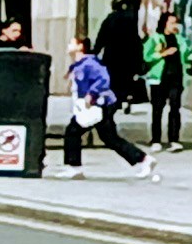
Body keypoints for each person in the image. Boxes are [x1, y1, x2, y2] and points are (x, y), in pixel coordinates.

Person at [57, 35, 148, 178]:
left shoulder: (90, 63)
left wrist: (91, 94)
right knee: (109, 138)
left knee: (73, 131)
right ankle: (142, 159)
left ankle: (74, 167)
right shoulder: (80, 64)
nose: (68, 45)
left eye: (72, 43)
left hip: (98, 104)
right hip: (94, 105)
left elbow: (103, 79)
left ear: (80, 46)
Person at [146, 10, 190, 152]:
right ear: (164, 23)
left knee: (175, 108)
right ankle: (156, 139)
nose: (174, 25)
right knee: (157, 109)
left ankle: (174, 139)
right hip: (159, 78)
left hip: (176, 77)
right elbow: (146, 56)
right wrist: (162, 54)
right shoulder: (155, 38)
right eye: (171, 22)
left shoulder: (180, 39)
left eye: (175, 23)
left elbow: (186, 55)